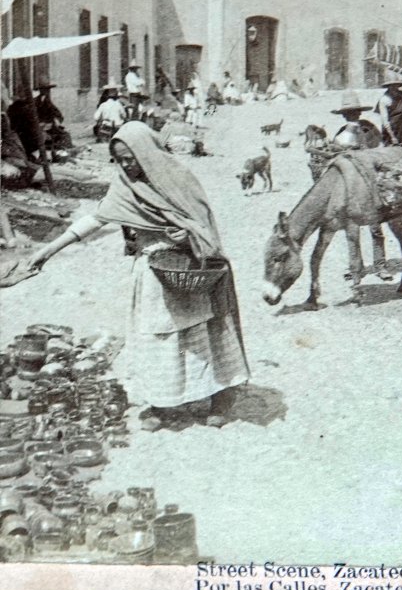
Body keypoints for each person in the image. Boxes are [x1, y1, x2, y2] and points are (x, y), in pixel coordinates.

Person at [28, 121, 249, 429]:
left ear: (146, 151)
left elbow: (204, 226)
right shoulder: (125, 186)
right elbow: (97, 218)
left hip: (192, 269)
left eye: (130, 157)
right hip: (153, 271)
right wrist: (49, 250)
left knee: (203, 332)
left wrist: (186, 237)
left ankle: (220, 396)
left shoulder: (178, 177)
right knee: (157, 335)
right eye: (119, 159)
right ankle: (162, 403)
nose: (126, 165)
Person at [329, 90, 391, 281]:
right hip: (350, 184)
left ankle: (380, 265)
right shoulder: (341, 134)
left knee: (375, 226)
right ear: (344, 115)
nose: (352, 116)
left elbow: (378, 152)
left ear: (359, 113)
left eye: (354, 112)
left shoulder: (370, 130)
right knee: (351, 227)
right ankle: (356, 267)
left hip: (370, 181)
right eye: (348, 114)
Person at [375, 70, 402, 149]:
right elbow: (385, 121)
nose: (394, 88)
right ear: (388, 86)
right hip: (391, 130)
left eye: (396, 85)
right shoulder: (384, 99)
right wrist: (392, 137)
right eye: (392, 86)